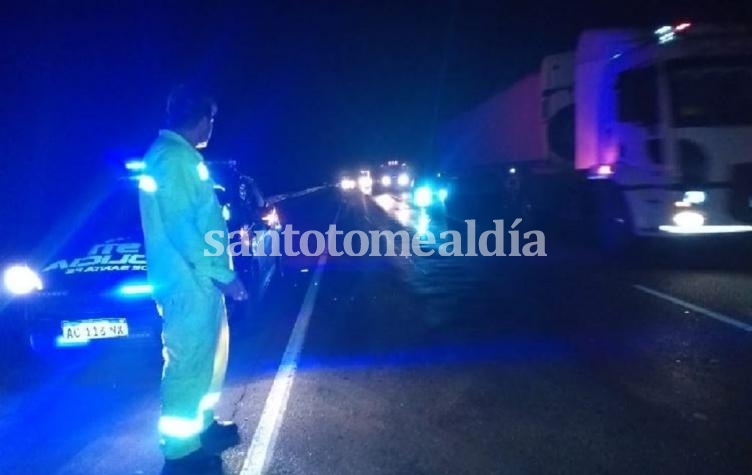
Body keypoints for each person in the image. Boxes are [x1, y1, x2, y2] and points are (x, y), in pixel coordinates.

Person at [139, 85, 248, 474]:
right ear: (202, 120)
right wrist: (224, 276)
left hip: (195, 282)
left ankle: (201, 428)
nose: (212, 127)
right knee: (187, 366)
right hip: (188, 283)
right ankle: (181, 454)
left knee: (206, 361)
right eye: (212, 120)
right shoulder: (173, 160)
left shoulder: (178, 157)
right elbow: (185, 230)